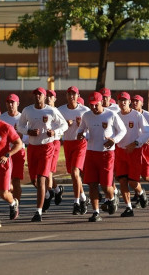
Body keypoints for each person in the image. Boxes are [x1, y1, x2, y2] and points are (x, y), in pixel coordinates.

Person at [17, 87, 68, 222]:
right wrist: (28, 131)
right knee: (34, 180)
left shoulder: (51, 110)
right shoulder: (27, 110)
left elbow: (64, 125)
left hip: (47, 147)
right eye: (35, 94)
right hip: (33, 147)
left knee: (41, 180)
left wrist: (55, 132)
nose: (37, 96)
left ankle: (38, 211)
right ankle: (49, 194)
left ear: (45, 97)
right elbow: (20, 126)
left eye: (40, 94)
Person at [77, 91, 126, 222]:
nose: (93, 107)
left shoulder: (111, 115)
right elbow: (81, 128)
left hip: (106, 153)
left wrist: (114, 140)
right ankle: (95, 212)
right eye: (91, 105)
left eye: (96, 105)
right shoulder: (86, 115)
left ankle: (112, 196)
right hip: (91, 152)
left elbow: (123, 130)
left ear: (101, 103)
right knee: (92, 184)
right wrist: (80, 133)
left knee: (105, 185)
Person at [115, 92, 149, 217]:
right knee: (122, 180)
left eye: (125, 100)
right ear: (118, 102)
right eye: (120, 100)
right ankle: (128, 207)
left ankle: (141, 193)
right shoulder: (115, 116)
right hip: (120, 151)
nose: (123, 102)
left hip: (134, 151)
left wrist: (136, 143)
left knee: (132, 182)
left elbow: (147, 132)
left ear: (129, 102)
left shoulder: (137, 115)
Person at [57, 86, 91, 215]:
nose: (71, 96)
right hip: (68, 143)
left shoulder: (85, 110)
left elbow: (91, 127)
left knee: (75, 172)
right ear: (66, 96)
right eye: (69, 94)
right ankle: (83, 198)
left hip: (80, 143)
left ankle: (76, 202)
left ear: (78, 96)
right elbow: (56, 125)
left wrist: (82, 127)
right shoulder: (60, 110)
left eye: (74, 94)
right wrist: (65, 124)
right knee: (73, 174)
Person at [0, 94, 28, 203]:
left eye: (13, 102)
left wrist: (21, 136)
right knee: (6, 182)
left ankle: (17, 205)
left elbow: (28, 138)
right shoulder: (2, 118)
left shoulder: (23, 118)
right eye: (8, 102)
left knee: (16, 181)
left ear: (18, 104)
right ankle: (12, 201)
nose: (10, 105)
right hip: (4, 152)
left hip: (18, 152)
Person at [131, 94, 149, 198]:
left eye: (137, 101)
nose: (134, 103)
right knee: (134, 172)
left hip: (146, 148)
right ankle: (137, 194)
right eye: (133, 101)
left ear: (142, 103)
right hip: (134, 147)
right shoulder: (130, 115)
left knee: (146, 175)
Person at [45, 89, 65, 207]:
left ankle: (49, 193)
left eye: (51, 96)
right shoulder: (41, 110)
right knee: (45, 171)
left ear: (55, 99)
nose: (48, 98)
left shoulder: (57, 111)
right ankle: (57, 190)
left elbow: (64, 126)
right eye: (47, 96)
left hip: (54, 142)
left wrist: (55, 132)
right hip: (42, 143)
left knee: (49, 171)